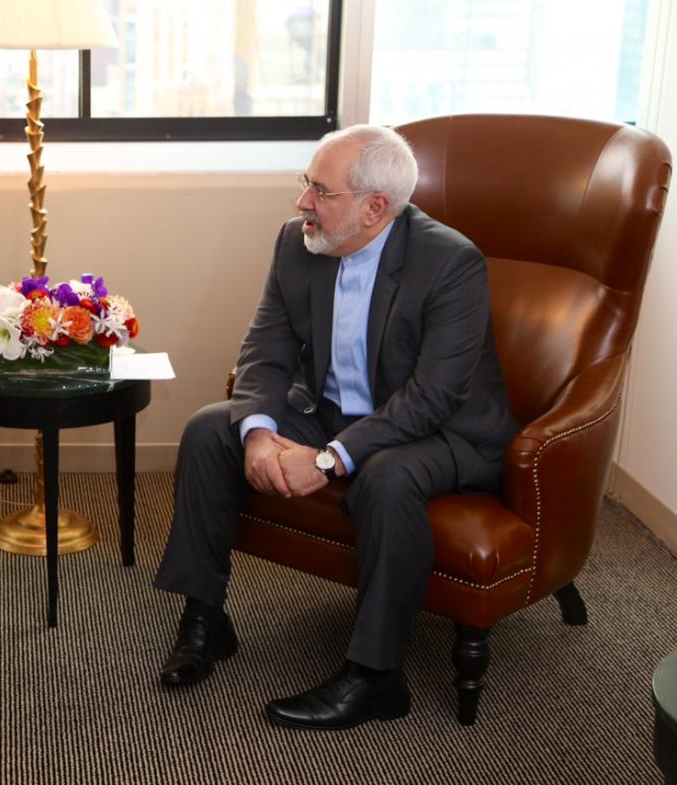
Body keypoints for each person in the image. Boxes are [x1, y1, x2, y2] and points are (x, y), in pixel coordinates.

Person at [152, 124, 518, 731]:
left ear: (376, 207)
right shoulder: (298, 243)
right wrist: (262, 433)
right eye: (306, 185)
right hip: (332, 410)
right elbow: (265, 348)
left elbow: (432, 398)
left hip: (443, 430)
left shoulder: (451, 263)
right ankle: (205, 619)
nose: (302, 204)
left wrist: (327, 459)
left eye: (321, 191)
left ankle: (377, 677)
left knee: (388, 477)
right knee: (210, 430)